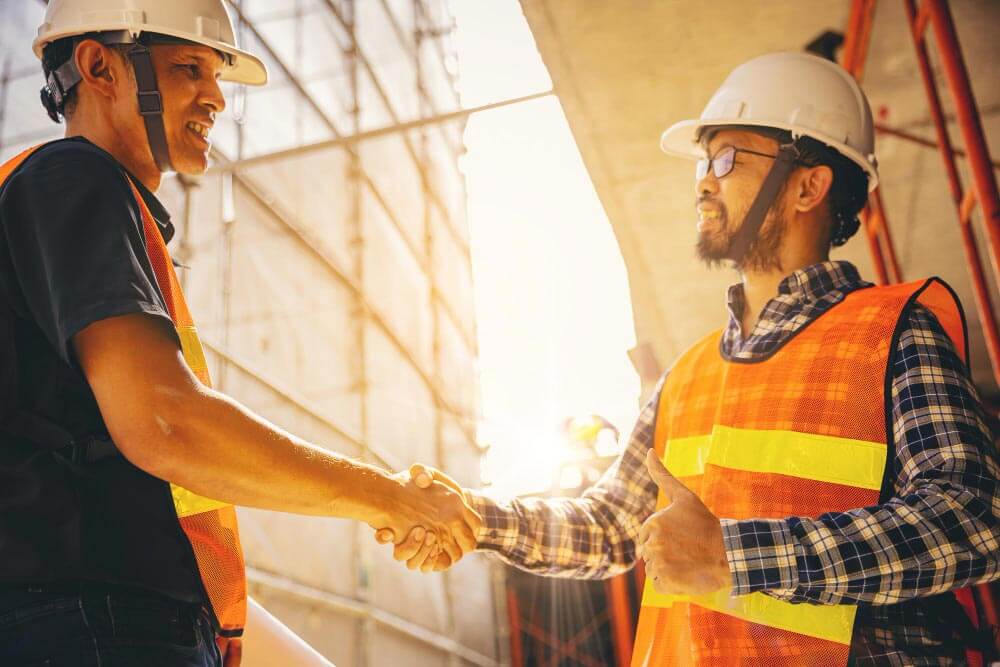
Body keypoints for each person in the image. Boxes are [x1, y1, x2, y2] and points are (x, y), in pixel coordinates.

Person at [379, 52, 1000, 665]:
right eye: (704, 162)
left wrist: (732, 556)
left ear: (808, 186)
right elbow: (612, 526)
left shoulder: (891, 332)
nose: (704, 181)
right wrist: (473, 516)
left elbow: (976, 520)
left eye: (727, 159)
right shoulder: (689, 373)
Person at [0, 1, 479, 665]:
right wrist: (390, 498)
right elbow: (166, 422)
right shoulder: (74, 179)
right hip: (94, 623)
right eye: (188, 68)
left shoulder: (70, 204)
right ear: (99, 67)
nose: (217, 97)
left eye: (216, 74)